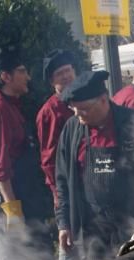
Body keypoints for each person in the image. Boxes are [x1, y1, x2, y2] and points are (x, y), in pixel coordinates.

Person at [54, 70, 134, 260]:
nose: (79, 117)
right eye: (75, 111)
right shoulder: (72, 130)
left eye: (84, 110)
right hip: (93, 226)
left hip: (131, 221)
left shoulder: (133, 123)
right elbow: (62, 179)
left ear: (103, 100)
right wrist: (64, 223)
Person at [0, 48, 52, 260]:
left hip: (14, 190)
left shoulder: (10, 105)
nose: (27, 76)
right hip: (4, 193)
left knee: (31, 255)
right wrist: (12, 209)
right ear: (5, 77)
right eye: (21, 71)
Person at [36, 49, 76, 208]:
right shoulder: (49, 112)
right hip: (67, 183)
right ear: (52, 81)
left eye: (68, 70)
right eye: (60, 74)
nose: (66, 76)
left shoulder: (83, 102)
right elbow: (49, 156)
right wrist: (57, 192)